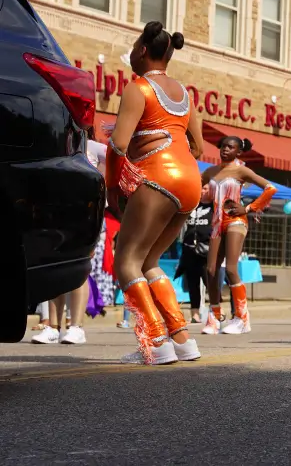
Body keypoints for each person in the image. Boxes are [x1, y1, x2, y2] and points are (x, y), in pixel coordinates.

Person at [104, 21, 204, 365]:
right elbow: (200, 146)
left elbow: (117, 143)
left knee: (126, 261)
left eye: (134, 46)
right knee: (149, 262)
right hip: (190, 180)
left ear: (143, 50)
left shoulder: (138, 88)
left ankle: (155, 343)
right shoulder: (185, 94)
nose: (132, 52)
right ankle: (182, 338)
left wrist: (113, 185)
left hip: (157, 176)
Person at [200, 136, 277, 335]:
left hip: (236, 221)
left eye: (230, 147)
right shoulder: (210, 171)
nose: (225, 149)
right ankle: (214, 316)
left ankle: (242, 318)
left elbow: (270, 188)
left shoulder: (242, 170)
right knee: (210, 270)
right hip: (217, 223)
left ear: (239, 152)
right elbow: (195, 188)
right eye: (223, 146)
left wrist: (248, 208)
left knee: (232, 268)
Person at [177, 182, 213, 323]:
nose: (202, 191)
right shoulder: (192, 205)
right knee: (192, 283)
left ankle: (215, 310)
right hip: (189, 249)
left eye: (205, 188)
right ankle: (195, 314)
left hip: (206, 249)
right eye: (201, 188)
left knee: (209, 281)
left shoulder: (214, 207)